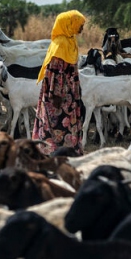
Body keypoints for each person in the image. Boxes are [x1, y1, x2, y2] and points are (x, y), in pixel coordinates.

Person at [33, 10, 86, 154]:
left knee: (69, 123)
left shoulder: (70, 40)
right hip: (57, 96)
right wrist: (54, 95)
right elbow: (53, 71)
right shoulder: (60, 43)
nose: (82, 27)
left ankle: (69, 151)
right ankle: (53, 153)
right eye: (79, 24)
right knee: (56, 123)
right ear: (68, 24)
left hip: (69, 93)